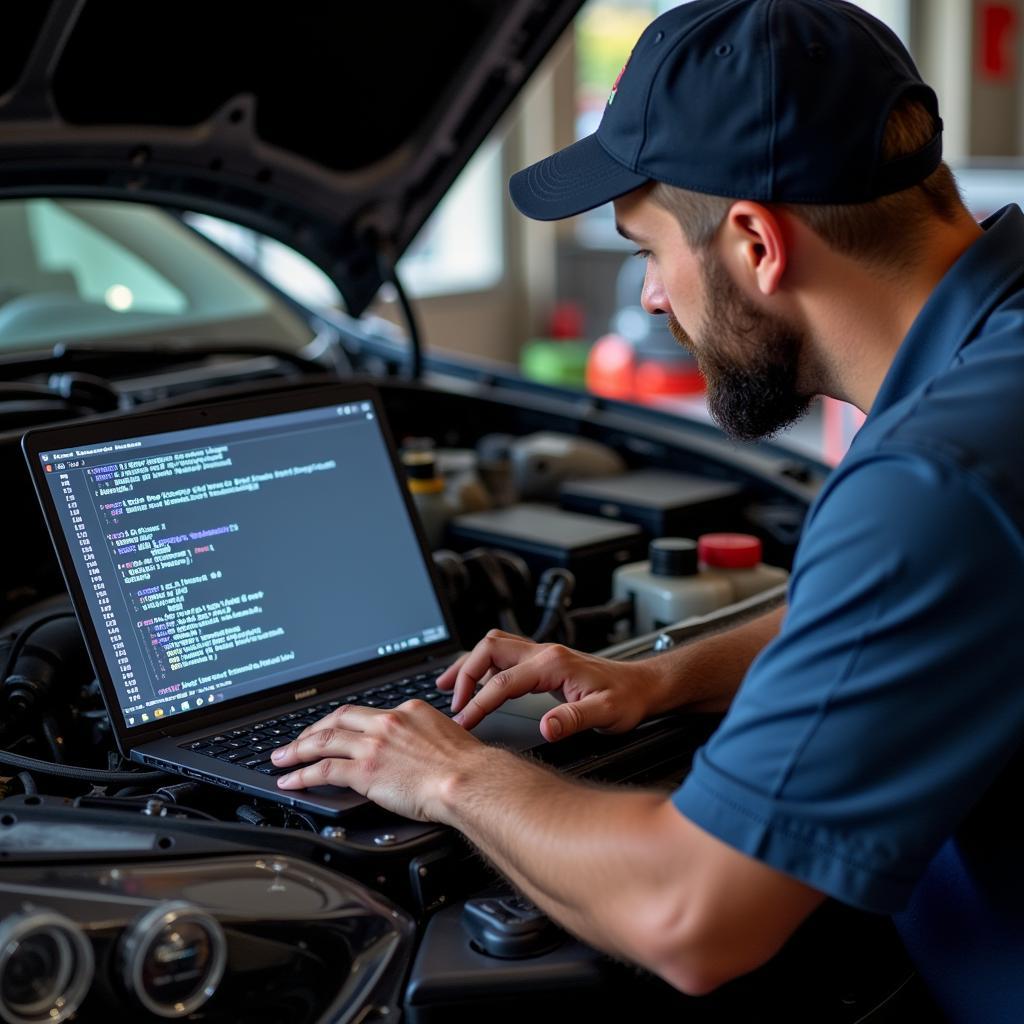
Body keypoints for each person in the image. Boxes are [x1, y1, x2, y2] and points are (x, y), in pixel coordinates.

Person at [270, 2, 1024, 1019]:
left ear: (756, 243)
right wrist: (658, 675)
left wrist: (447, 773)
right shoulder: (994, 370)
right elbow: (932, 607)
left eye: (647, 252)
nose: (656, 302)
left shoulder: (929, 481)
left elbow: (693, 914)